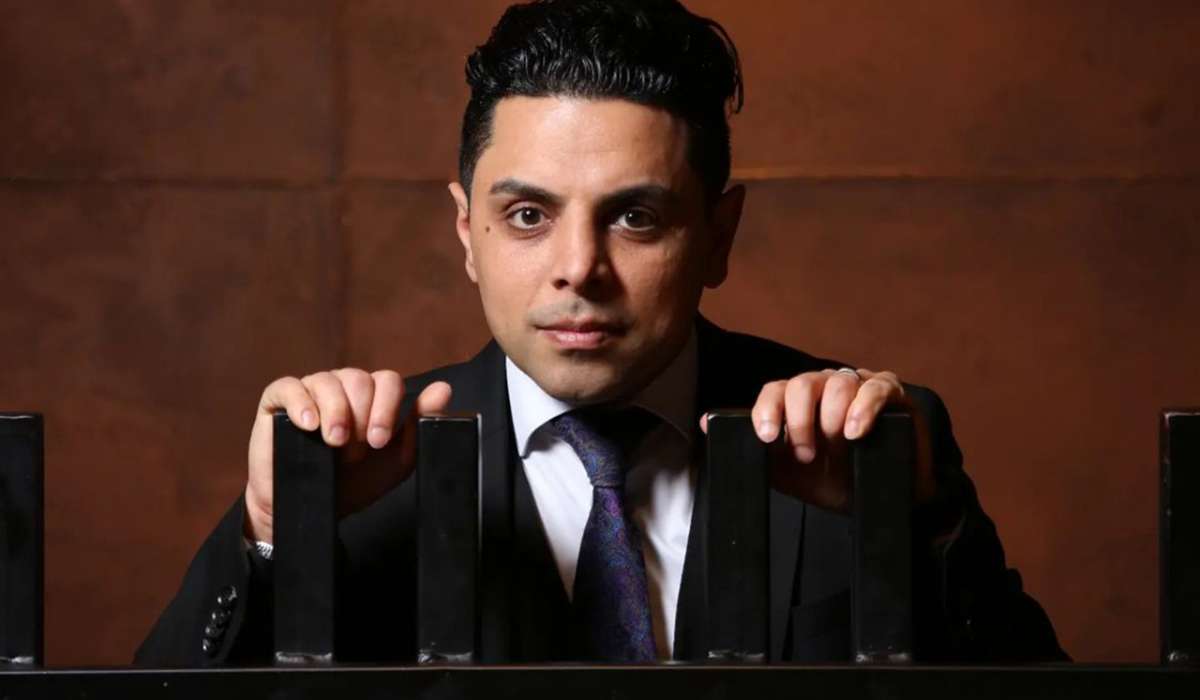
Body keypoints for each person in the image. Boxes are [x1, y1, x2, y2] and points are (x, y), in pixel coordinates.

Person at [136, 0, 1066, 665]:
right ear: (467, 233)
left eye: (636, 217)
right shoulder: (353, 470)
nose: (578, 267)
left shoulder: (860, 444)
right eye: (528, 216)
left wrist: (922, 523)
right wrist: (273, 532)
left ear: (719, 236)